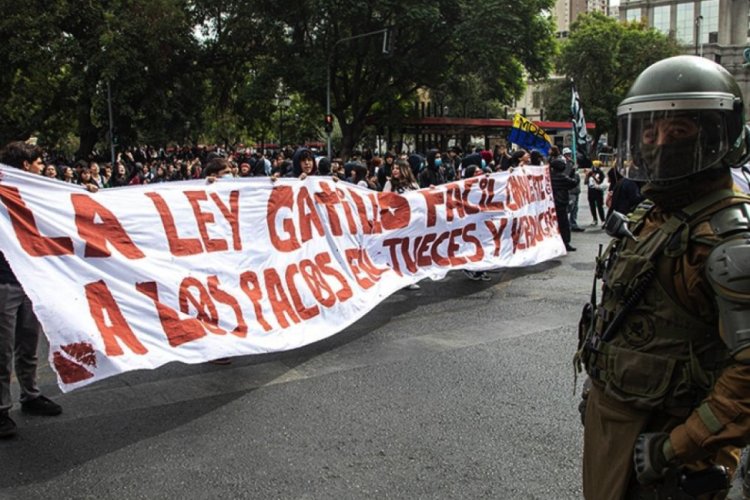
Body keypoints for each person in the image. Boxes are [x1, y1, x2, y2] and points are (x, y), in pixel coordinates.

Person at [576, 55, 750, 499]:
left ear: (717, 137)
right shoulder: (653, 212)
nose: (658, 143)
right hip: (617, 428)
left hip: (667, 451)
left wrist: (677, 445)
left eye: (678, 132)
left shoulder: (726, 242)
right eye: (649, 131)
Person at [0, 141, 64, 439]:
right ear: (26, 165)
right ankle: (1, 409)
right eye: (39, 163)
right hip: (4, 281)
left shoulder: (38, 191)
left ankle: (30, 394)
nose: (42, 167)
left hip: (29, 279)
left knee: (28, 341)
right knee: (2, 347)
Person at [549, 146, 578, 252]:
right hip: (560, 203)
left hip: (552, 203)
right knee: (563, 224)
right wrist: (575, 173)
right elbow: (573, 182)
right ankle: (565, 243)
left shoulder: (550, 177)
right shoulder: (562, 178)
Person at [562, 148, 584, 232]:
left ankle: (573, 223)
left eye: (570, 154)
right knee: (570, 207)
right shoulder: (566, 164)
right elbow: (567, 176)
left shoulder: (572, 163)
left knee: (575, 208)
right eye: (567, 154)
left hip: (576, 189)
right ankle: (566, 224)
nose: (569, 156)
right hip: (571, 190)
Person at [585, 160, 607, 226]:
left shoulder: (600, 173)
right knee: (592, 206)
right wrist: (587, 175)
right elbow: (585, 182)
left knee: (600, 206)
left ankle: (603, 220)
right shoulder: (590, 173)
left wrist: (594, 176)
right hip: (591, 191)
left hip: (598, 191)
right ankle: (594, 219)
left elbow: (599, 182)